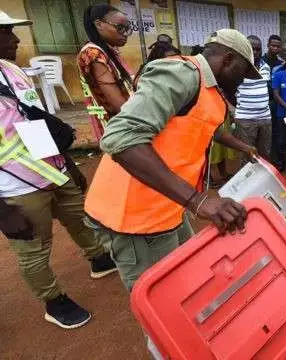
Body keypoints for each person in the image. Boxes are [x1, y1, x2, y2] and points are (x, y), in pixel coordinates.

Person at [83, 29, 260, 292]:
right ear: (228, 60)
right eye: (243, 74)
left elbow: (206, 125)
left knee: (193, 281)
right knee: (166, 306)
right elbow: (121, 138)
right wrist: (198, 201)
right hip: (136, 217)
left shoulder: (208, 89)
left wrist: (244, 147)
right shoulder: (182, 74)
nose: (243, 82)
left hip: (169, 206)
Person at [0, 12, 116, 329]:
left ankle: (99, 258)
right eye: (7, 32)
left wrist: (65, 162)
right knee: (33, 248)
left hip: (51, 167)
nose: (16, 39)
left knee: (79, 216)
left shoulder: (11, 70)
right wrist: (2, 211)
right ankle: (54, 301)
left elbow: (31, 120)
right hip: (15, 185)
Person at [77, 4, 135, 141]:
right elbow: (119, 104)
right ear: (99, 24)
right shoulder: (93, 54)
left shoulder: (109, 52)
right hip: (118, 128)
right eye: (120, 28)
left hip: (125, 123)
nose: (125, 34)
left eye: (127, 29)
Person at [233, 35, 272, 166]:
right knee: (247, 155)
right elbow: (225, 92)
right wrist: (233, 111)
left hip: (265, 118)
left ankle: (261, 183)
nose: (255, 52)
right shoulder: (237, 67)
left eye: (258, 49)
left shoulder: (266, 67)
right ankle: (246, 185)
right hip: (245, 119)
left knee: (265, 153)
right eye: (252, 49)